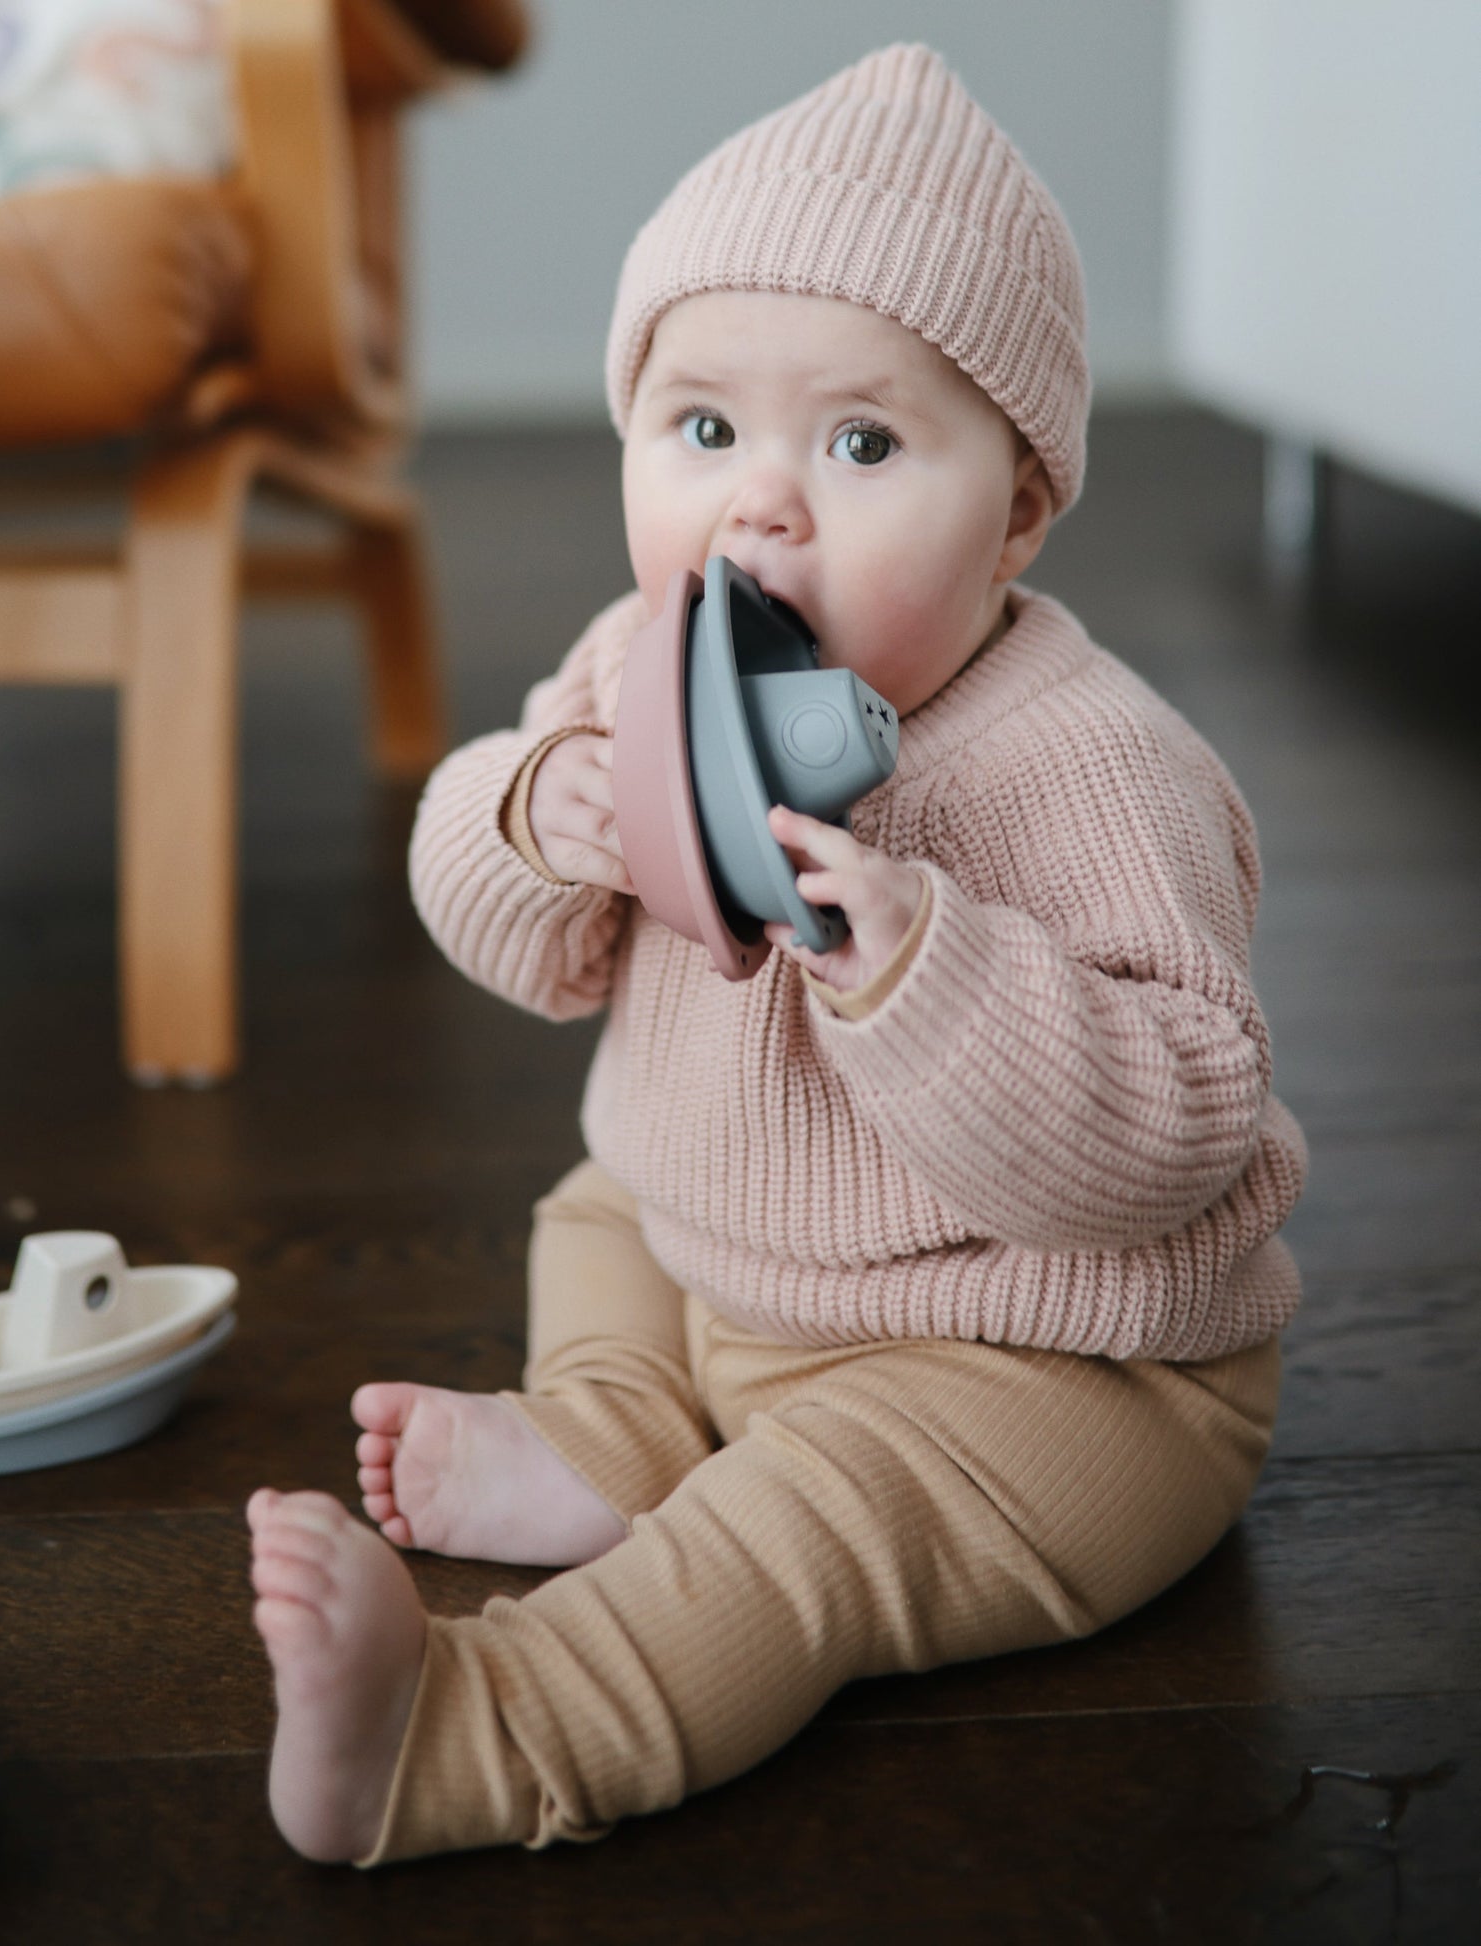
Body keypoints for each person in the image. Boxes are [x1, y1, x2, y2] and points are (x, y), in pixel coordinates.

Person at [246, 42, 1306, 1866]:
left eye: (864, 442)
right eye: (703, 429)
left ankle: (465, 1729)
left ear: (1020, 510)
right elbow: (523, 950)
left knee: (800, 1530)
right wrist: (530, 815)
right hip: (729, 1252)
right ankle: (606, 1432)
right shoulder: (630, 664)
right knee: (593, 1199)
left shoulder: (1092, 765)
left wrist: (921, 969)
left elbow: (1173, 1140)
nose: (762, 506)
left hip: (1037, 1361)